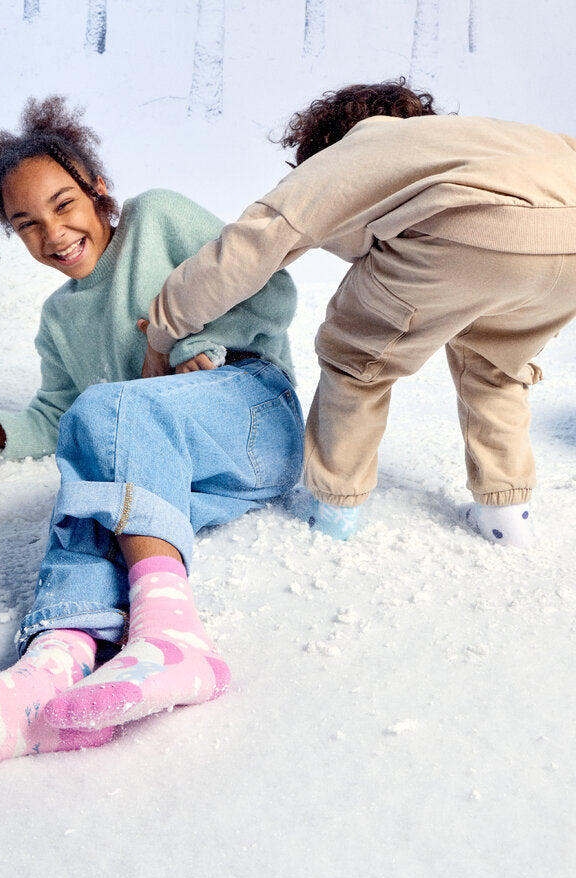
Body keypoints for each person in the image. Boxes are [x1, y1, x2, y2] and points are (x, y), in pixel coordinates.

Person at [0, 96, 304, 770]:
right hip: (177, 460)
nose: (52, 234)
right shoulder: (58, 321)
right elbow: (57, 418)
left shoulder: (160, 219)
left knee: (112, 413)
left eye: (63, 205)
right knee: (92, 502)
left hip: (254, 416)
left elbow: (271, 287)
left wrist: (194, 338)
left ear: (97, 189)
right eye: (27, 224)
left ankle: (173, 638)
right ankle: (48, 675)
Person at [141, 79, 576, 548]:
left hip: (467, 227)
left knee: (356, 357)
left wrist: (164, 330)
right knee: (496, 366)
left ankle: (335, 509)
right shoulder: (477, 140)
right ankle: (506, 514)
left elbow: (252, 245)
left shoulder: (359, 146)